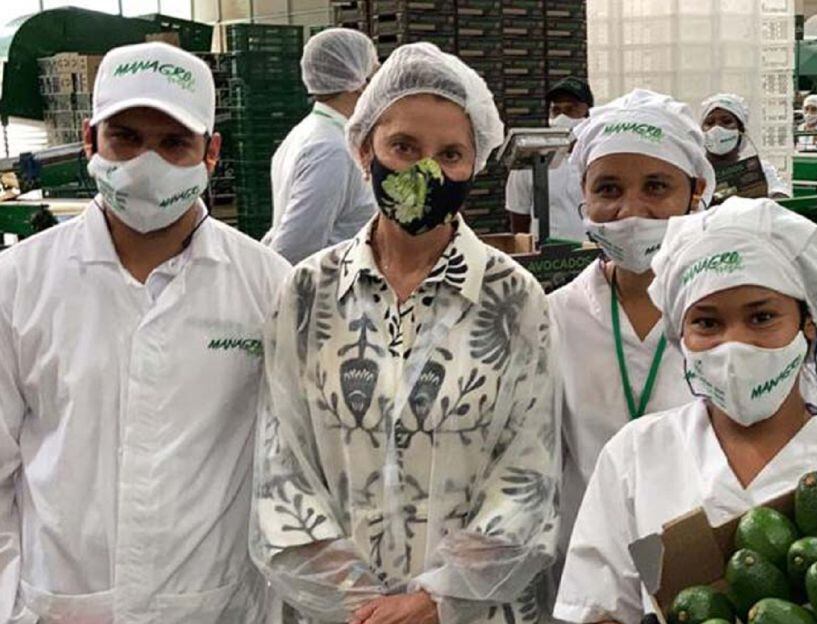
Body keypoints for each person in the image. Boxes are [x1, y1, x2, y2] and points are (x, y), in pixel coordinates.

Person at [251, 42, 558, 624]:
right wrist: (360, 605)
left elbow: (528, 476)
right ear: (364, 148)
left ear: (476, 163)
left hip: (474, 613)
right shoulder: (308, 293)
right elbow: (281, 467)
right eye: (403, 147)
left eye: (450, 154)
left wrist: (435, 601)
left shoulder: (513, 300)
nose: (426, 171)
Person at [0, 42, 289, 621]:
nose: (146, 163)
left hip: (216, 606)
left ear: (211, 153)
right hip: (62, 605)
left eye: (173, 143)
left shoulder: (267, 286)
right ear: (89, 140)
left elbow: (289, 469)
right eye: (126, 138)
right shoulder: (19, 283)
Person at [554, 198, 817, 624]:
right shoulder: (637, 453)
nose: (733, 344)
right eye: (706, 323)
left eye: (761, 317)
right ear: (680, 334)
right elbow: (597, 606)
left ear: (808, 324)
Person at [548, 88, 713, 578]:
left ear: (696, 191)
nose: (631, 209)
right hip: (585, 569)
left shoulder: (728, 313)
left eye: (657, 187)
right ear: (584, 195)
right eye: (608, 190)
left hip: (704, 566)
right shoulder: (555, 317)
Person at [263, 28, 379, 264]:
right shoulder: (332, 150)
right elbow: (294, 248)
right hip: (329, 294)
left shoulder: (311, 132)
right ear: (358, 82)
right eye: (375, 70)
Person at [505, 76, 593, 243]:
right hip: (548, 257)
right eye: (556, 110)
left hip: (592, 253)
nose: (562, 116)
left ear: (588, 114)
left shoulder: (599, 157)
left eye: (570, 109)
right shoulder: (531, 159)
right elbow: (518, 215)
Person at [700, 92, 791, 200]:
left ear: (741, 131)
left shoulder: (761, 170)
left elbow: (780, 196)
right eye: (710, 123)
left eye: (726, 121)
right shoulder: (693, 172)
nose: (717, 129)